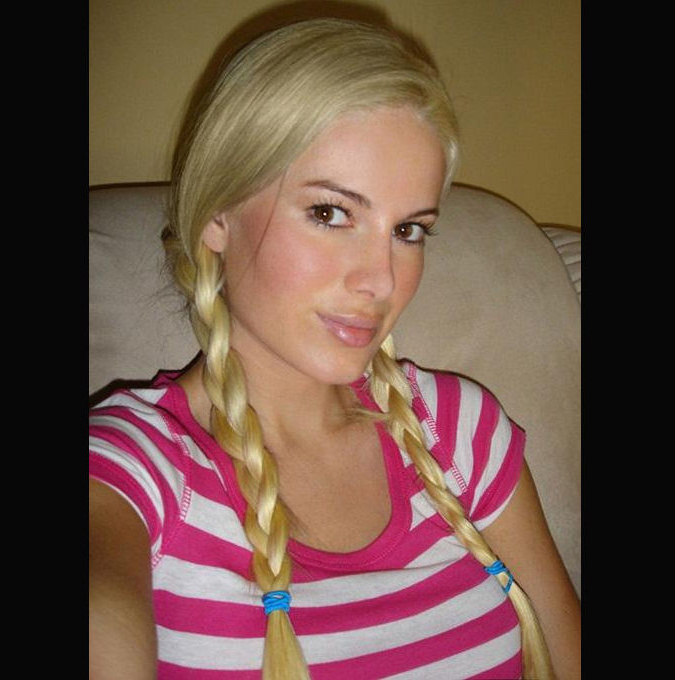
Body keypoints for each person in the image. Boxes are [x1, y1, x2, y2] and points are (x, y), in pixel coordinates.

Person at [89, 17, 580, 680]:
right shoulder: (131, 469)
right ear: (216, 215)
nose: (381, 280)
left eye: (408, 230)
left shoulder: (460, 430)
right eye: (330, 213)